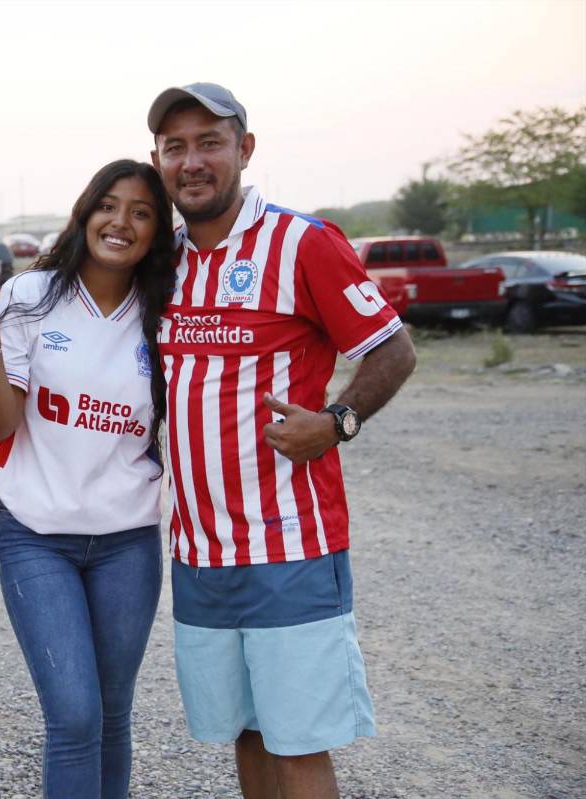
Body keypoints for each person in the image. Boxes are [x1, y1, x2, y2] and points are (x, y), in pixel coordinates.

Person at [146, 82, 417, 799]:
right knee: (247, 731)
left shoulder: (303, 242)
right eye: (176, 146)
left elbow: (393, 349)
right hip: (199, 551)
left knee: (297, 742)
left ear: (245, 149)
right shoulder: (163, 261)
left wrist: (335, 422)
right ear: (159, 159)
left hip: (289, 546)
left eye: (210, 142)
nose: (192, 161)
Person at [0, 160, 176, 799]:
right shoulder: (31, 294)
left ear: (158, 232)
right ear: (85, 212)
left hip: (129, 540)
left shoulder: (165, 308)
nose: (121, 222)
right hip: (37, 536)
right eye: (109, 205)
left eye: (141, 212)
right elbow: (0, 422)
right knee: (74, 716)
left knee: (113, 714)